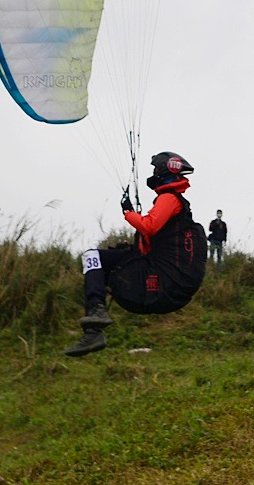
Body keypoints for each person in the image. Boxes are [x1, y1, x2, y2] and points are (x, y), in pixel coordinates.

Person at [65, 151, 207, 356]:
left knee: (92, 257)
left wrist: (127, 213)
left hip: (163, 276)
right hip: (165, 275)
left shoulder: (169, 198)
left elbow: (149, 225)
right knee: (101, 261)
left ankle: (96, 312)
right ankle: (93, 330)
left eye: (155, 169)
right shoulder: (173, 201)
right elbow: (156, 239)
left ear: (162, 170)